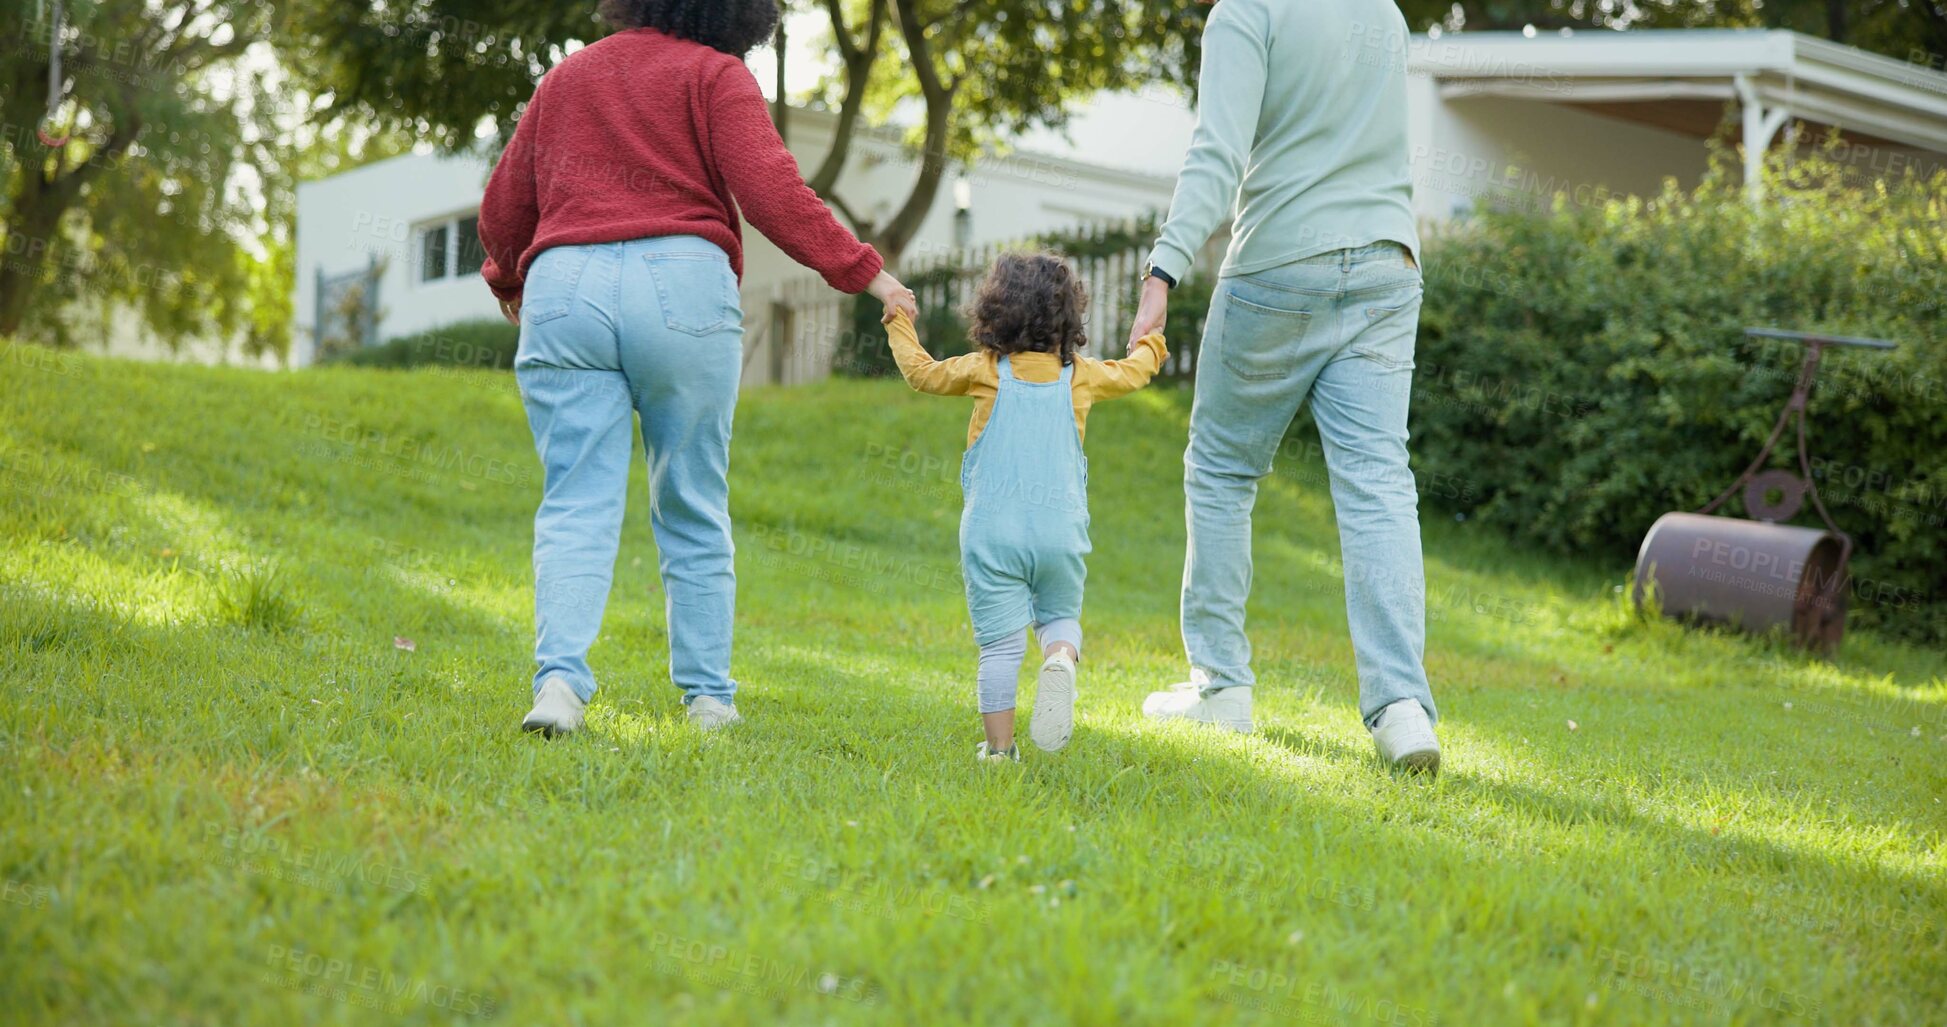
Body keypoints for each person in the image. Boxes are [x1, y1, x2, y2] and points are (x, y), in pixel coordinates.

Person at [477, 0, 917, 737]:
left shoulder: (567, 76)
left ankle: (557, 687)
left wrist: (509, 279)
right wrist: (868, 273)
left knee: (574, 499)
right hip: (680, 282)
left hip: (564, 286)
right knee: (690, 500)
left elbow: (502, 205)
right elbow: (774, 192)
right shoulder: (717, 75)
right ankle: (709, 701)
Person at [1126, 0, 1442, 772]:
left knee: (1223, 469)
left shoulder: (1247, 11)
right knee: (1377, 483)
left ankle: (1222, 689)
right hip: (1387, 262)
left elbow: (1218, 150)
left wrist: (1161, 269)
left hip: (1279, 264)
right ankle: (1403, 709)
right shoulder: (1386, 14)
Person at [885, 253, 1167, 761]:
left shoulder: (985, 370)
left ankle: (999, 752)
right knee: (1059, 616)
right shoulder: (1083, 377)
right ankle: (1060, 658)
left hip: (993, 534)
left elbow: (920, 373)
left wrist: (899, 322)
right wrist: (1153, 341)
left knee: (1000, 646)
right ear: (1069, 317)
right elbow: (1136, 372)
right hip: (1060, 531)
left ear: (995, 311)